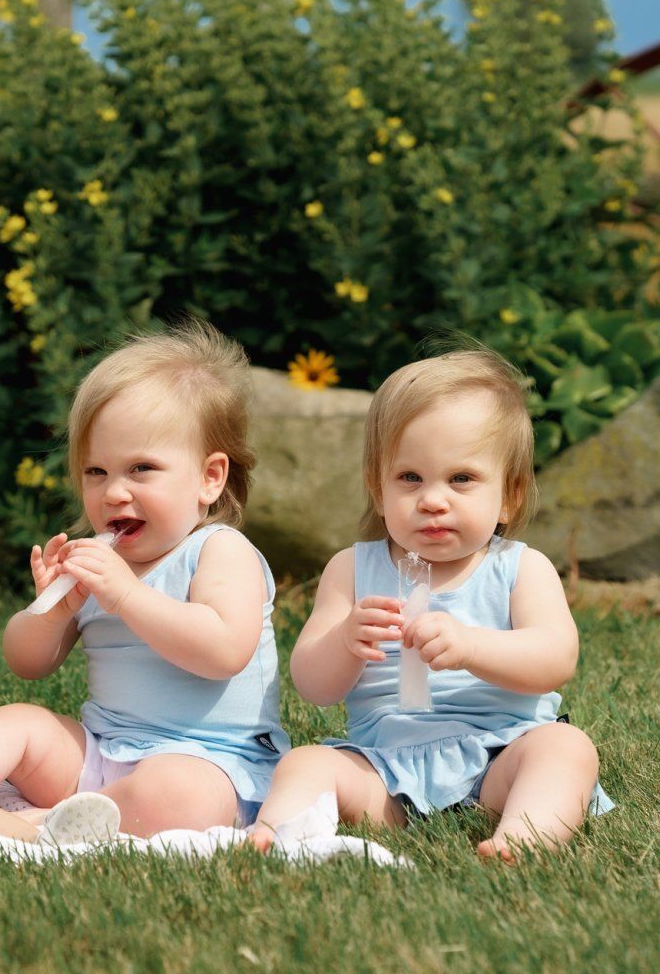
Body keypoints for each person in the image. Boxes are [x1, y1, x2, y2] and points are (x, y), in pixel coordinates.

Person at [0, 322, 288, 840]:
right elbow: (26, 663)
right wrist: (52, 611)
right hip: (103, 748)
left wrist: (126, 596)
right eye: (95, 472)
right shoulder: (99, 562)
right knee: (22, 722)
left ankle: (53, 824)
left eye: (141, 469)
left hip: (214, 762)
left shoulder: (218, 550)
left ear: (210, 478)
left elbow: (224, 650)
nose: (113, 493)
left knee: (175, 794)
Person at [249, 349, 611, 861]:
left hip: (499, 757)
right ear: (379, 489)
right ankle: (275, 835)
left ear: (508, 496)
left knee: (566, 749)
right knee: (306, 764)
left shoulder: (519, 569)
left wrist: (471, 646)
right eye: (410, 478)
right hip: (384, 771)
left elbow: (555, 660)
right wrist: (346, 640)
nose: (433, 500)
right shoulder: (351, 571)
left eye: (461, 479)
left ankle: (525, 838)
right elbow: (313, 685)